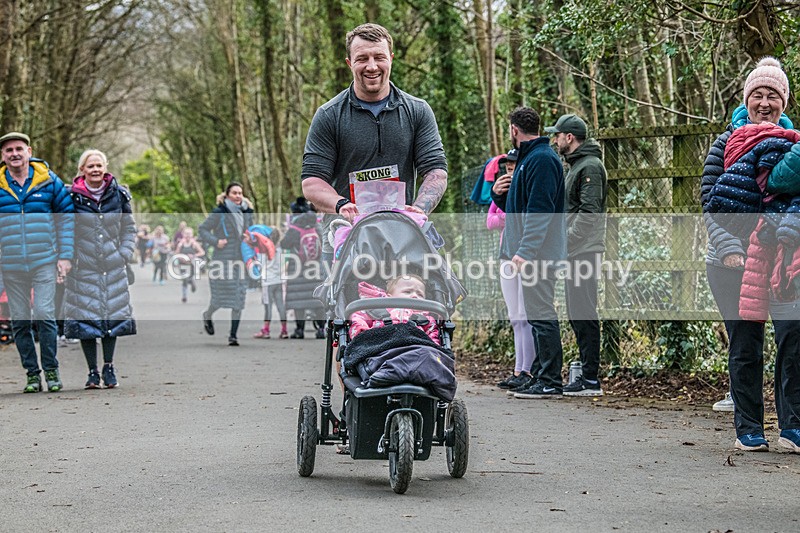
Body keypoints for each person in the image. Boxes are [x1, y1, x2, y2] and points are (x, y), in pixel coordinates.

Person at [701, 56, 799, 452]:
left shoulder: (796, 146)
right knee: (746, 341)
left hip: (782, 260)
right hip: (732, 259)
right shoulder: (726, 144)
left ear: (784, 103)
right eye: (757, 94)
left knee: (793, 338)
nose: (764, 102)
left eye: (772, 95)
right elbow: (712, 201)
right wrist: (729, 250)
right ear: (746, 98)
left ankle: (793, 426)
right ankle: (749, 427)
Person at [300, 22, 448, 263]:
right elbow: (312, 182)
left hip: (403, 237)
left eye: (379, 57)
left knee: (415, 298)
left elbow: (436, 171)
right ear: (349, 63)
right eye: (362, 58)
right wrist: (342, 205)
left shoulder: (418, 111)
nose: (371, 66)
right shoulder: (328, 115)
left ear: (391, 59)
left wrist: (420, 209)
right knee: (346, 301)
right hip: (344, 240)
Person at [490, 107, 566, 400]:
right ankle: (536, 374)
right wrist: (498, 193)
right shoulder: (527, 159)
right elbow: (517, 204)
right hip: (526, 252)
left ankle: (550, 380)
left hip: (538, 254)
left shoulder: (543, 160)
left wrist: (526, 251)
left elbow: (540, 211)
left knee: (542, 313)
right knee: (533, 314)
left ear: (513, 129)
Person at [0, 131, 74, 393]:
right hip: (10, 265)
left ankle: (51, 370)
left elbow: (66, 218)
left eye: (19, 148)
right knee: (19, 320)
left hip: (44, 260)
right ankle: (32, 374)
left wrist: (65, 256)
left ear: (29, 151)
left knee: (44, 314)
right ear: (3, 156)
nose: (14, 154)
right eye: (9, 150)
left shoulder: (48, 181)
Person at [545, 114, 608, 397]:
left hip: (584, 251)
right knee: (575, 311)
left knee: (583, 311)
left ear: (569, 137)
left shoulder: (590, 166)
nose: (555, 140)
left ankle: (591, 378)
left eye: (557, 135)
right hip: (574, 251)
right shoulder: (576, 166)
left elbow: (589, 213)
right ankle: (585, 372)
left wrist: (566, 242)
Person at [63, 149, 136, 389]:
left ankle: (109, 366)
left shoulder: (119, 194)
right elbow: (63, 228)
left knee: (111, 317)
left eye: (99, 165)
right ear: (82, 170)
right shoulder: (71, 197)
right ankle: (92, 372)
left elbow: (129, 228)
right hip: (83, 267)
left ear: (105, 167)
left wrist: (124, 254)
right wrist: (70, 258)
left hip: (113, 265)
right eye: (90, 166)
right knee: (86, 321)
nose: (95, 170)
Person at [488, 149, 537, 392]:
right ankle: (518, 369)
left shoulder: (527, 186)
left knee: (526, 314)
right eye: (507, 166)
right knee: (515, 317)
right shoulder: (503, 189)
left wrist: (507, 218)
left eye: (513, 166)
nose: (510, 170)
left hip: (526, 254)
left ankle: (527, 369)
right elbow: (490, 220)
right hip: (506, 254)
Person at [199, 182, 254, 346]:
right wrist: (216, 241)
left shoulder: (247, 213)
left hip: (240, 260)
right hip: (222, 261)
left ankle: (233, 335)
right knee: (219, 298)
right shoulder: (220, 212)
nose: (238, 196)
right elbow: (202, 229)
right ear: (227, 195)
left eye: (240, 193)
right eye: (235, 193)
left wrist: (249, 238)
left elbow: (251, 231)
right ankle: (208, 314)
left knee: (239, 297)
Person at [349, 274, 439, 342]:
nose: (415, 296)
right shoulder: (374, 310)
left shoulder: (426, 319)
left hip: (415, 349)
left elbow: (433, 337)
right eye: (408, 292)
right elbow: (358, 320)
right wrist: (364, 336)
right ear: (389, 297)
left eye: (420, 294)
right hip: (379, 346)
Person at [281, 198, 325, 339]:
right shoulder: (316, 225)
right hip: (315, 268)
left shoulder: (294, 228)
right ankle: (321, 330)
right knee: (318, 301)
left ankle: (299, 330)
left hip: (297, 268)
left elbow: (284, 244)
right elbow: (324, 242)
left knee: (298, 301)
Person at [248, 227, 288, 339]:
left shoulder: (264, 250)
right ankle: (284, 330)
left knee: (268, 306)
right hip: (278, 281)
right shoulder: (280, 251)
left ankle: (266, 330)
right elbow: (283, 266)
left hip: (267, 282)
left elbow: (259, 265)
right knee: (281, 306)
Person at [173, 227, 204, 303]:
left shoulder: (194, 244)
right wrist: (181, 257)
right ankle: (184, 296)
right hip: (182, 263)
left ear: (192, 235)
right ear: (183, 234)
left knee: (188, 277)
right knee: (184, 279)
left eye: (189, 233)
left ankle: (192, 282)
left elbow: (202, 252)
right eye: (186, 233)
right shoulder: (181, 244)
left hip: (191, 264)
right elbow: (176, 253)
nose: (187, 235)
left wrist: (194, 256)